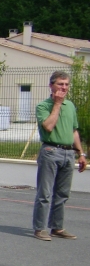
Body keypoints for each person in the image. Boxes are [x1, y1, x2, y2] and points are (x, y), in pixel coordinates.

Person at [32, 70, 87, 241]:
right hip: (50, 152)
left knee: (62, 193)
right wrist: (56, 104)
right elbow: (48, 127)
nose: (64, 87)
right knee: (45, 193)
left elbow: (74, 131)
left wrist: (81, 153)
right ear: (51, 85)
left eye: (66, 84)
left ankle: (57, 227)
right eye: (60, 84)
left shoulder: (70, 106)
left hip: (68, 153)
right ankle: (40, 229)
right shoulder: (43, 106)